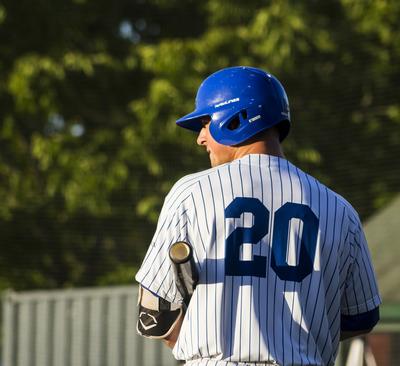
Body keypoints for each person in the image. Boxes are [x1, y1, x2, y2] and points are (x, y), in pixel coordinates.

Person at [135, 66, 381, 366]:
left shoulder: (192, 192)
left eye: (204, 123)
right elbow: (362, 316)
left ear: (235, 119)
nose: (201, 138)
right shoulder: (340, 209)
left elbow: (154, 315)